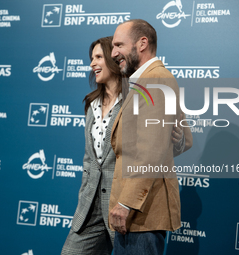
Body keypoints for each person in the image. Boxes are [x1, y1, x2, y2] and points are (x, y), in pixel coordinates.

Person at [61, 36, 189, 255]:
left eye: (99, 57)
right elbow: (89, 159)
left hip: (127, 204)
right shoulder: (91, 103)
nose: (92, 64)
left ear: (113, 59)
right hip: (90, 206)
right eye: (92, 58)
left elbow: (178, 139)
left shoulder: (141, 92)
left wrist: (178, 139)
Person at [109, 19, 193, 255]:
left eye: (118, 45)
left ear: (142, 43)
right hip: (138, 210)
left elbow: (151, 151)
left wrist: (126, 203)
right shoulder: (144, 80)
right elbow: (185, 138)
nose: (113, 53)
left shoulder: (156, 80)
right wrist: (169, 140)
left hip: (140, 211)